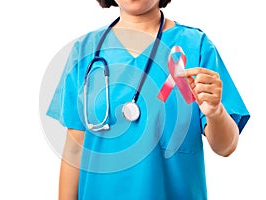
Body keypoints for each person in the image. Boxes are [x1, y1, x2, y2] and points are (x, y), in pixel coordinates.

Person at [46, 0, 250, 199]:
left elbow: (226, 147)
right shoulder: (84, 52)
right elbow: (74, 151)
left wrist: (216, 112)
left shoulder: (195, 46)